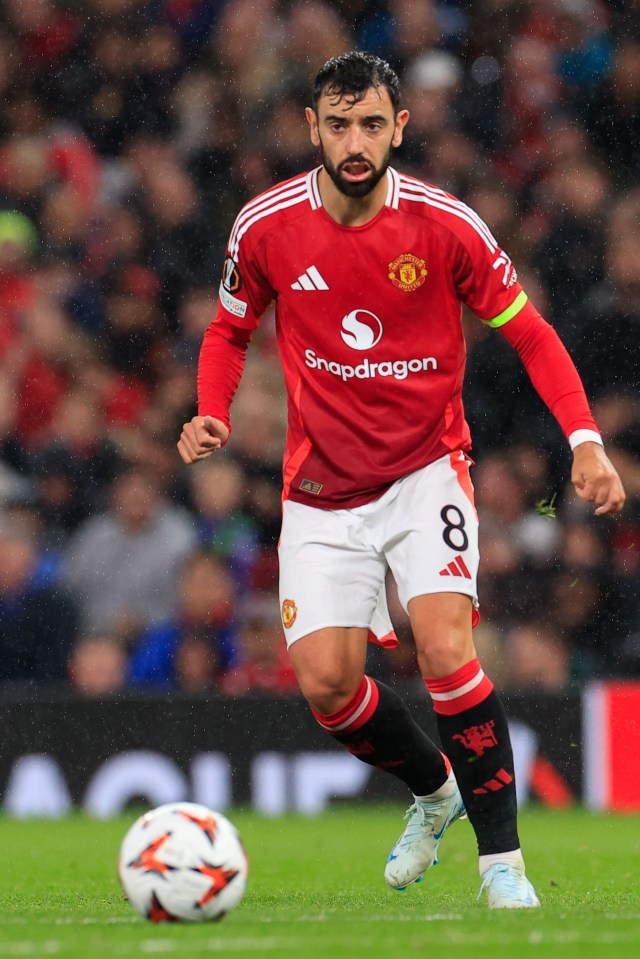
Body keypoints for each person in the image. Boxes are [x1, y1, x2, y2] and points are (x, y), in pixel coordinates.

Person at [178, 52, 625, 908]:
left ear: (399, 128)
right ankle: (435, 791)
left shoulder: (446, 225)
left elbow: (528, 331)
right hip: (320, 490)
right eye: (338, 125)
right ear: (312, 126)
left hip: (428, 472)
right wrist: (213, 410)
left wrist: (585, 440)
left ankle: (505, 867)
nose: (355, 142)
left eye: (372, 124)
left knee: (449, 651)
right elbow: (228, 331)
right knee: (327, 686)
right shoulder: (265, 225)